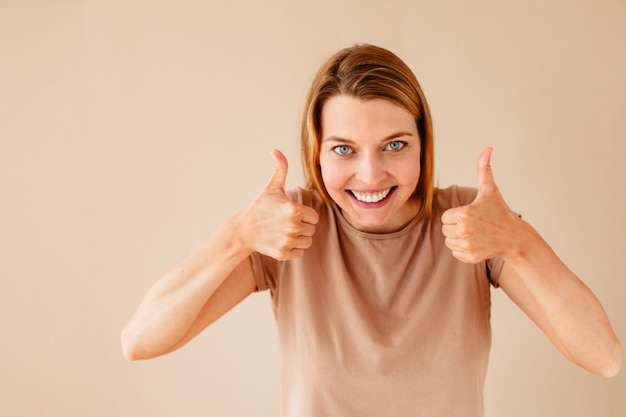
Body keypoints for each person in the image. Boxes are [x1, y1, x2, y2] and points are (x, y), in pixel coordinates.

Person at [121, 44, 621, 416]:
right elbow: (140, 340)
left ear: (423, 144)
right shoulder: (290, 228)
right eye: (344, 149)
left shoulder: (471, 222)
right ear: (315, 150)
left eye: (395, 145)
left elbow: (605, 358)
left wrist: (519, 240)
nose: (370, 175)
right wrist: (236, 235)